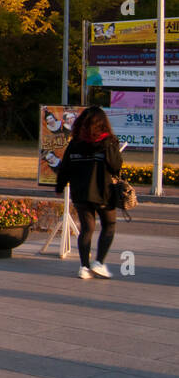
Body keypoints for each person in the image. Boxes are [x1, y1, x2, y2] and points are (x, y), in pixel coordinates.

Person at [55, 106, 123, 279]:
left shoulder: (75, 143)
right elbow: (116, 167)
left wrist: (60, 186)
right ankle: (99, 262)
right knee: (109, 225)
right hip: (103, 193)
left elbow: (64, 168)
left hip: (80, 193)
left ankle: (84, 267)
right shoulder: (108, 142)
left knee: (87, 229)